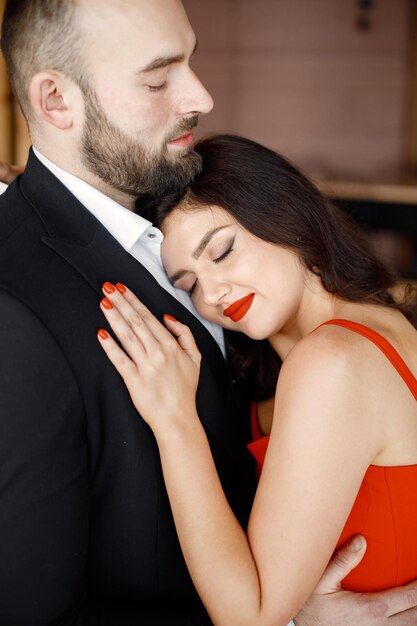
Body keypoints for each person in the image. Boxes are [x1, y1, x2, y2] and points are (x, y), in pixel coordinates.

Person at [0, 1, 416, 623]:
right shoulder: (17, 303)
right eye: (158, 77)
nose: (202, 95)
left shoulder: (328, 350)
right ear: (56, 100)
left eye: (190, 61)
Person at [95, 134, 417, 626]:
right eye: (189, 283)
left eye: (222, 251)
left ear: (284, 214)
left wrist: (175, 421)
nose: (214, 293)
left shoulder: (333, 362)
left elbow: (249, 617)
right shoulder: (353, 339)